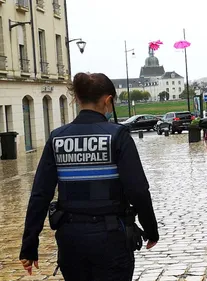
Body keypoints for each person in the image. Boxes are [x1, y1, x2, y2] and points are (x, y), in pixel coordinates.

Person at [19, 72, 160, 281]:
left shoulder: (57, 138)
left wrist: (29, 245)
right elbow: (137, 190)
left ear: (76, 99)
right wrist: (151, 230)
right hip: (112, 239)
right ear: (108, 101)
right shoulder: (117, 136)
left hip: (71, 239)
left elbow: (40, 194)